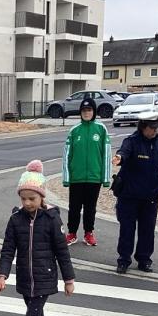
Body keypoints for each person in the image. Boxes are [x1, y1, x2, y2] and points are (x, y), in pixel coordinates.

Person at [0, 160, 75, 316]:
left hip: (44, 277)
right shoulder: (15, 220)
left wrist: (68, 279)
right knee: (36, 314)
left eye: (32, 198)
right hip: (25, 277)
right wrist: (2, 275)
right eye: (24, 198)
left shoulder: (52, 219)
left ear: (41, 197)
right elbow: (8, 249)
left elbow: (62, 251)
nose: (27, 203)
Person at [111, 112, 158, 274]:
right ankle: (124, 259)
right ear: (143, 127)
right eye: (152, 128)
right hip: (129, 194)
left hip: (151, 194)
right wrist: (120, 158)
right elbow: (124, 152)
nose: (155, 131)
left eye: (156, 128)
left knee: (147, 229)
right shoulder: (131, 141)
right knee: (127, 229)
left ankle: (144, 259)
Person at [62, 97, 111, 247]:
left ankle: (89, 233)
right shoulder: (74, 130)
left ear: (94, 111)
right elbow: (66, 154)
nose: (86, 113)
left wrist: (105, 178)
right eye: (84, 110)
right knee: (74, 207)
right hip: (76, 177)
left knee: (90, 208)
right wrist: (66, 177)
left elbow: (106, 154)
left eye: (89, 110)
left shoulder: (101, 129)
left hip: (94, 177)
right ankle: (72, 233)